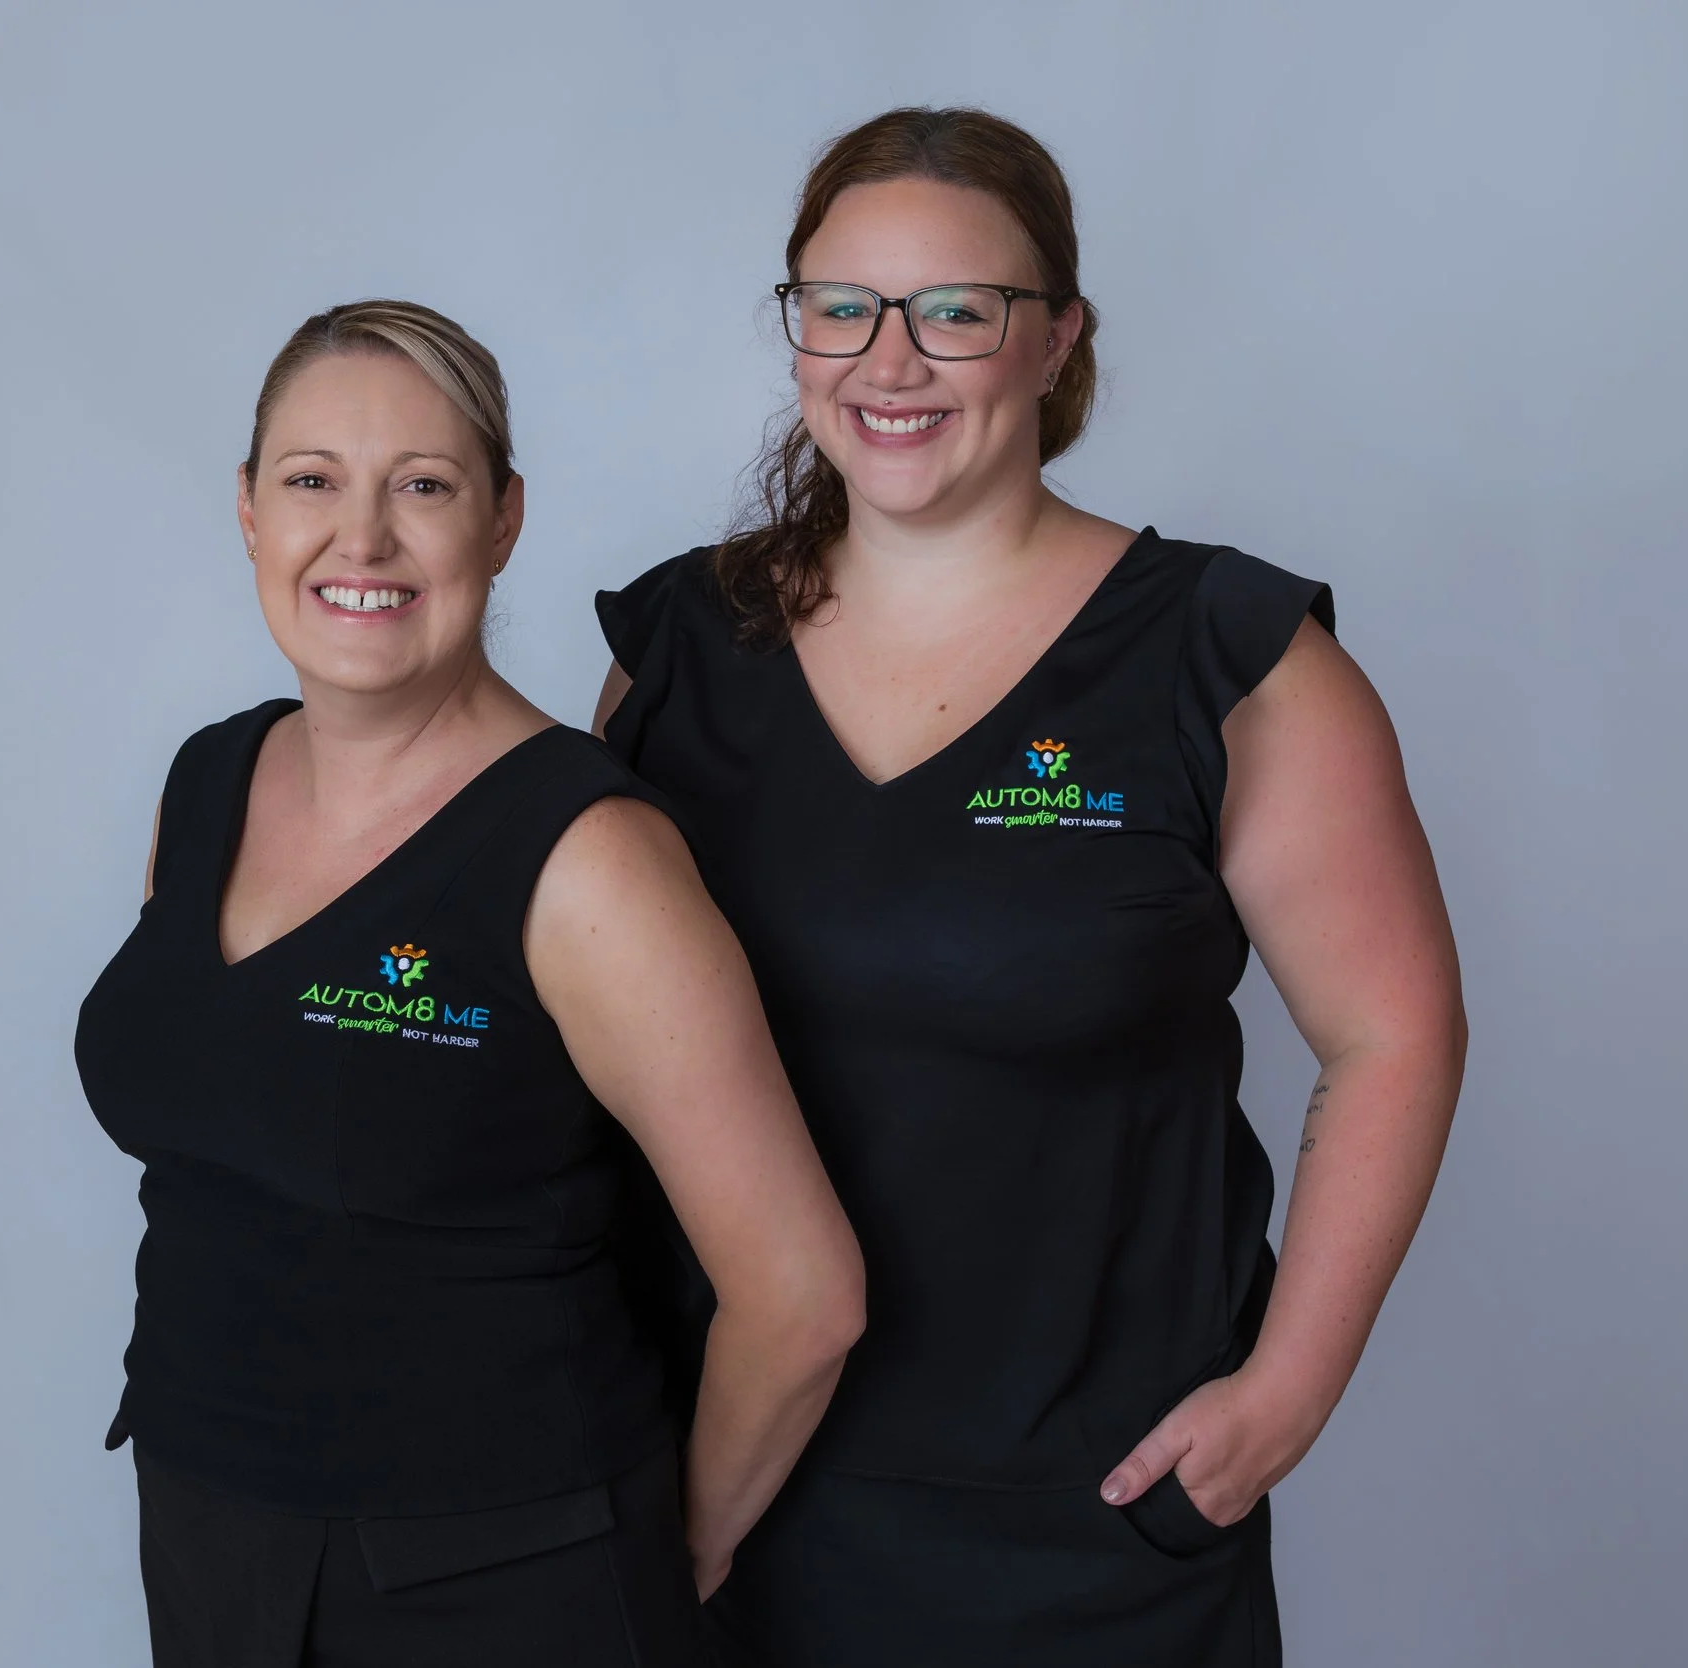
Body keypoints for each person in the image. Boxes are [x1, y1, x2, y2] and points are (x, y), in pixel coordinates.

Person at [593, 108, 1467, 1666]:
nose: (889, 361)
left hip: (1087, 1537)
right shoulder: (676, 651)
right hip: (721, 1498)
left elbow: (1394, 1034)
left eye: (956, 311)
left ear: (1058, 337)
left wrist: (1289, 1390)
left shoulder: (1229, 661)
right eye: (842, 307)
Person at [78, 299, 865, 1667]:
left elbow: (802, 1294)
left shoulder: (589, 859)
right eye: (311, 481)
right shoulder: (209, 781)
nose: (362, 539)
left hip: (504, 1580)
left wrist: (665, 1550)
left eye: (424, 487)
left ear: (503, 522)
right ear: (250, 512)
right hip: (208, 1530)